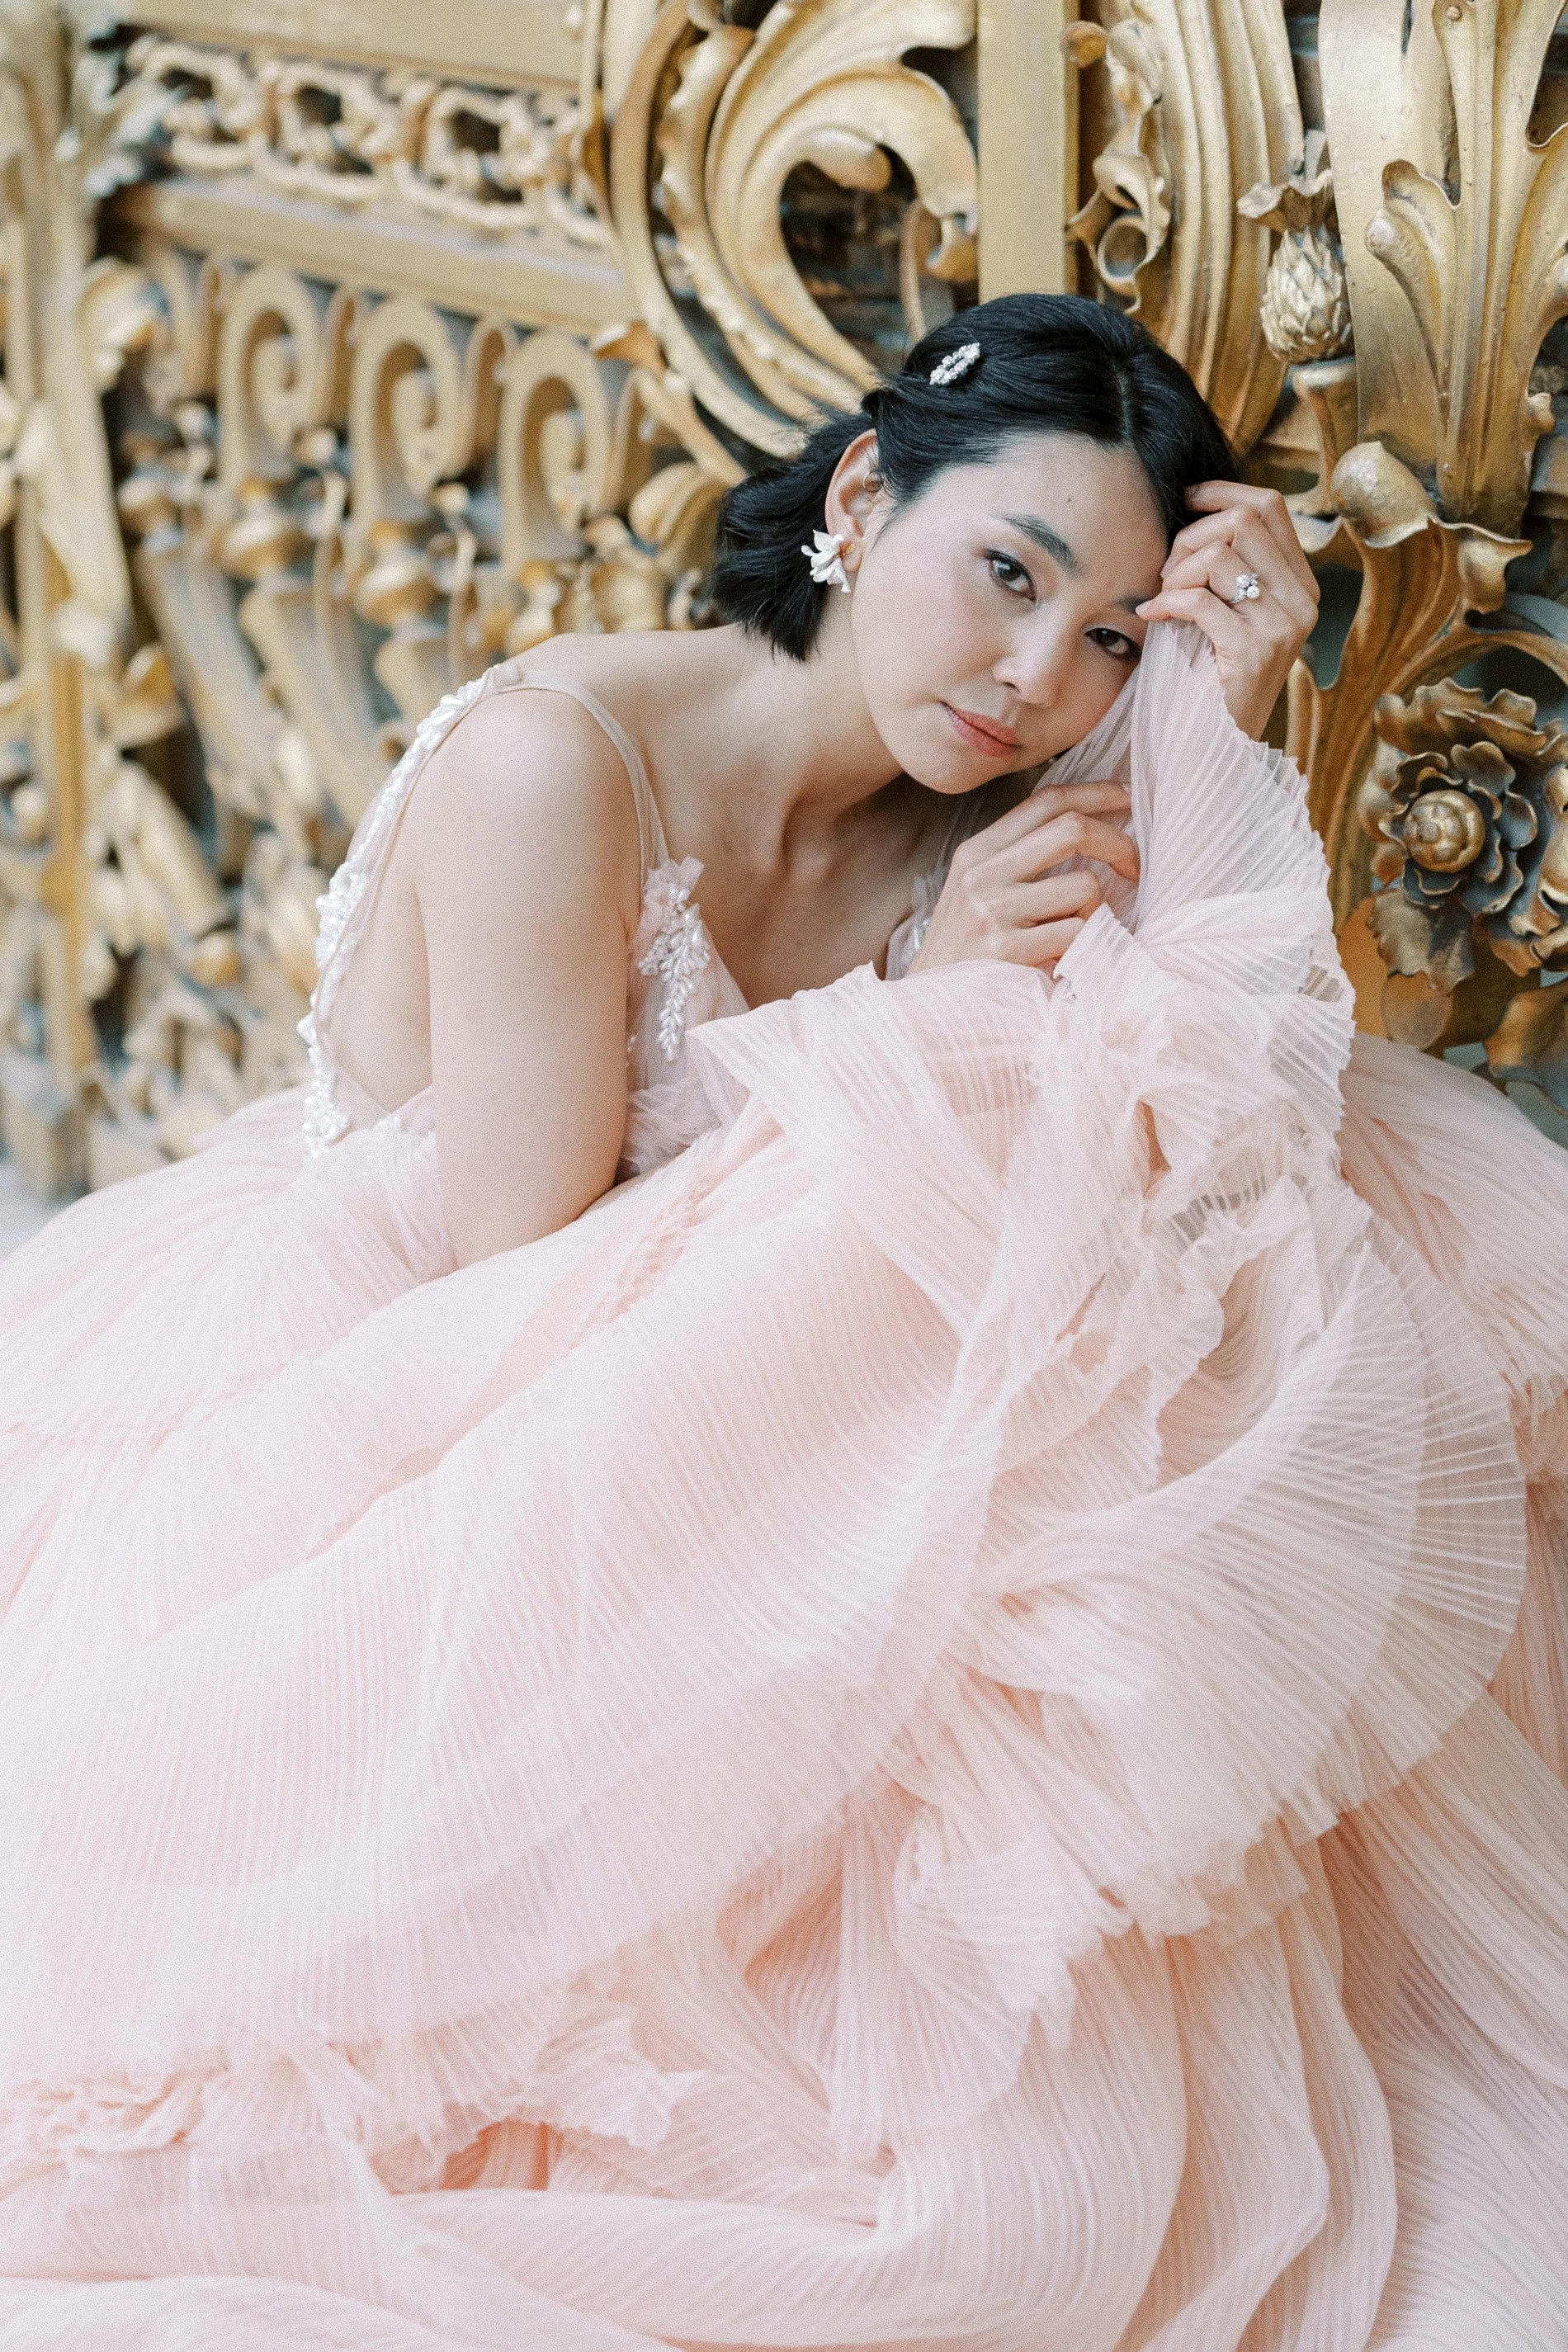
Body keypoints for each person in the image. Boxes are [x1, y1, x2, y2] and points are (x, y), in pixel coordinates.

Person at [0, 294, 1563, 2350]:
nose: (1030, 677)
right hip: (421, 1405)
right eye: (1003, 573)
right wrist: (915, 1006)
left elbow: (1205, 1109)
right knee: (970, 1136)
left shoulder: (995, 795)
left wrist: (1219, 699)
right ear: (861, 496)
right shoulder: (553, 767)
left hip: (712, 1416)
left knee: (1149, 1199)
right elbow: (521, 1301)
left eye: (1109, 634)